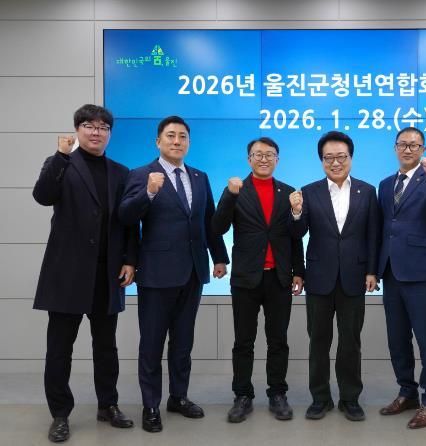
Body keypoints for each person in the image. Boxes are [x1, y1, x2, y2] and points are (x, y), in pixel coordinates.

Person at [33, 104, 138, 443]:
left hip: (107, 274)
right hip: (67, 273)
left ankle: (108, 405)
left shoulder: (121, 172)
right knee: (59, 349)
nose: (96, 132)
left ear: (109, 133)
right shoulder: (62, 163)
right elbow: (42, 196)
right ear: (78, 129)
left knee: (106, 347)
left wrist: (130, 260)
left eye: (103, 127)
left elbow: (128, 221)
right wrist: (60, 157)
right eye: (90, 125)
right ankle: (60, 414)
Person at [118, 116, 228, 433]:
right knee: (152, 343)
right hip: (156, 273)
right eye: (170, 136)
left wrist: (219, 257)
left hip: (193, 270)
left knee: (183, 342)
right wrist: (149, 193)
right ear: (158, 141)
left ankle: (178, 397)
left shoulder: (200, 176)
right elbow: (126, 217)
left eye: (182, 136)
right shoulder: (141, 175)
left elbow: (208, 221)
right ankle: (151, 404)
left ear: (188, 142)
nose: (177, 141)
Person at [211, 137, 304, 423]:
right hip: (245, 278)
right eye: (258, 154)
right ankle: (242, 395)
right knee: (243, 341)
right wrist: (230, 195)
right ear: (249, 159)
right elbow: (217, 227)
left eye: (269, 154)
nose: (264, 159)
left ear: (278, 159)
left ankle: (277, 393)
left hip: (279, 279)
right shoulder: (237, 190)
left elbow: (295, 238)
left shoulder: (288, 192)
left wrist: (299, 272)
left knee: (278, 341)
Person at [288, 131, 379, 422]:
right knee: (318, 340)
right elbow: (297, 234)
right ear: (321, 160)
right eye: (329, 158)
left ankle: (350, 398)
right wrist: (296, 212)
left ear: (351, 158)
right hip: (319, 277)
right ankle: (320, 398)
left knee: (350, 341)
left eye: (341, 157)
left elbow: (373, 235)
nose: (335, 162)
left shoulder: (367, 191)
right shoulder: (308, 191)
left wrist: (372, 271)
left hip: (355, 276)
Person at [377, 127, 426, 429]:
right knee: (397, 339)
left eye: (414, 145)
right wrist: (374, 268)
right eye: (403, 144)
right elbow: (383, 227)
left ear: (423, 149)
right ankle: (407, 392)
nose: (408, 149)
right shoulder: (385, 184)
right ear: (395, 148)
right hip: (391, 271)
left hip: (422, 271)